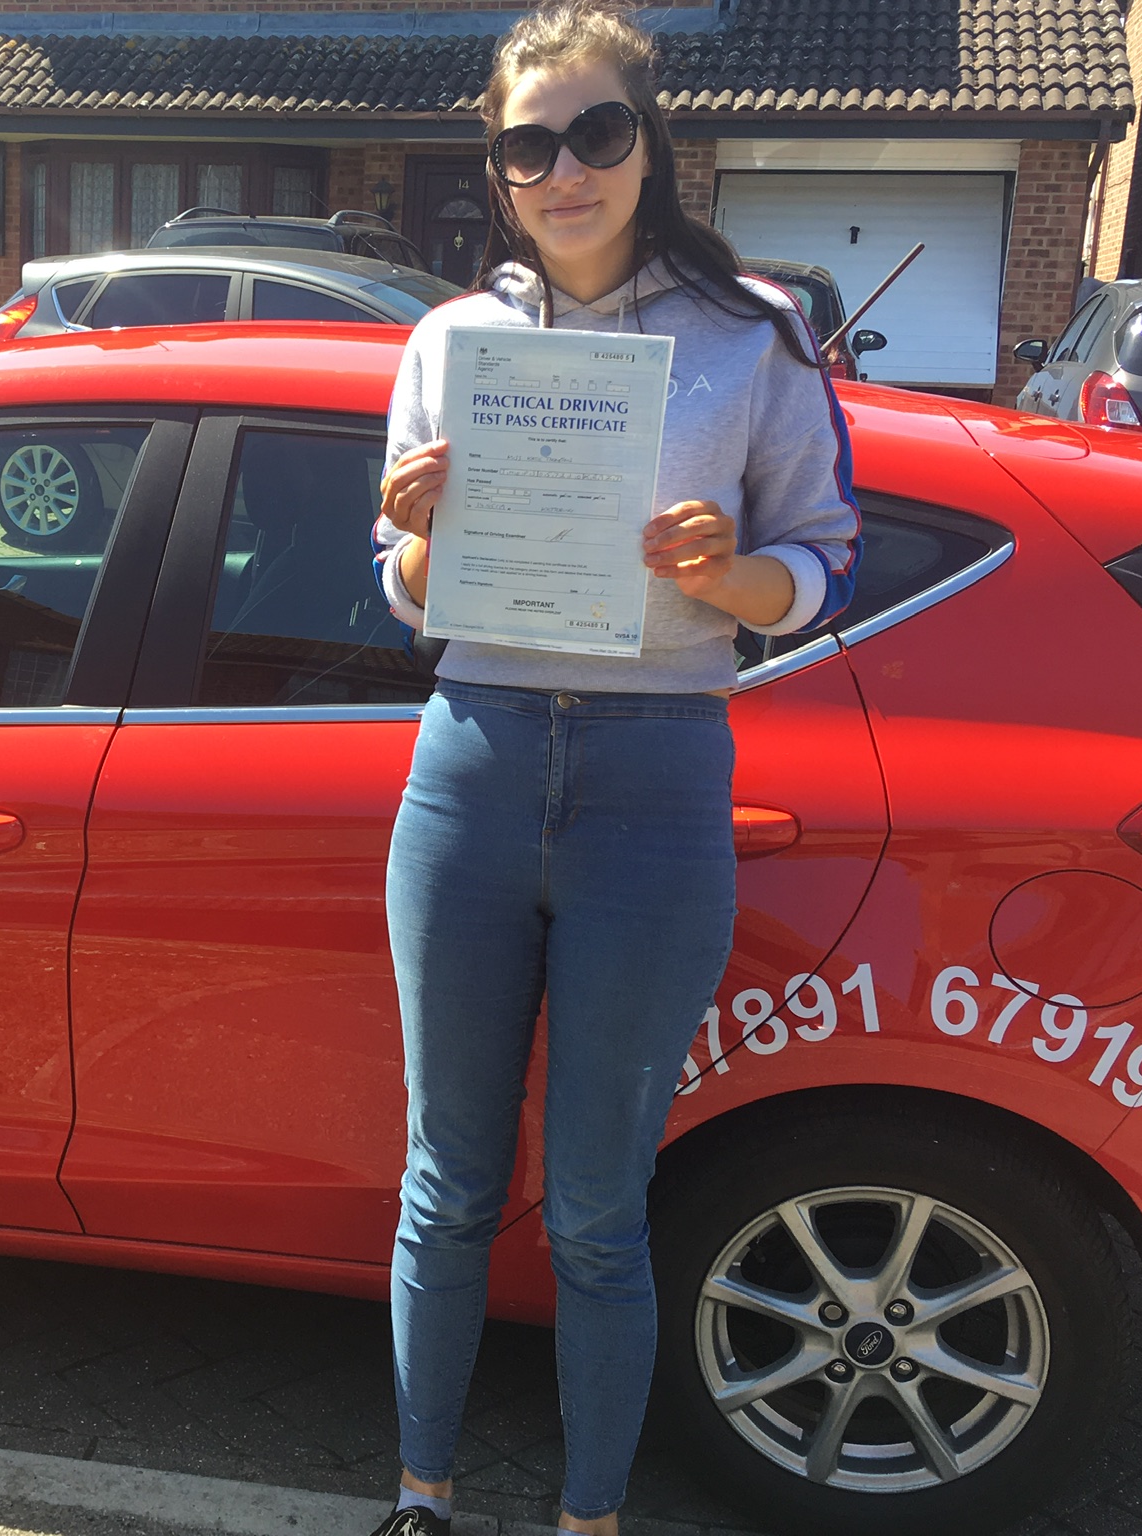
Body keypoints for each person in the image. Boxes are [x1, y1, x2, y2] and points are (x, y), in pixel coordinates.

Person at [367, 4, 861, 1534]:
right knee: (444, 1187)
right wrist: (421, 531)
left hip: (657, 775)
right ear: (498, 169)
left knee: (594, 1209)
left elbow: (827, 565)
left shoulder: (750, 337)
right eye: (530, 144)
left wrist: (730, 579)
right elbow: (398, 583)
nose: (563, 168)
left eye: (596, 133)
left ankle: (590, 1518)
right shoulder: (453, 344)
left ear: (649, 143)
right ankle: (422, 1499)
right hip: (476, 763)